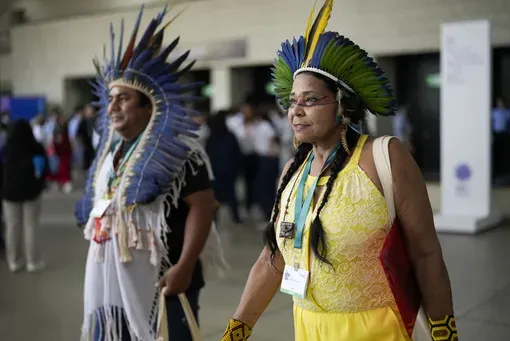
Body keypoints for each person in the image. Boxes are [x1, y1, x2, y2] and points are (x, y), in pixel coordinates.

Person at [221, 1, 458, 341]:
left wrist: (445, 333)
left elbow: (426, 253)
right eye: (292, 100)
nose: (296, 111)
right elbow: (272, 259)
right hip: (308, 327)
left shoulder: (385, 158)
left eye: (311, 100)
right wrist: (234, 333)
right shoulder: (292, 171)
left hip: (374, 330)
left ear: (343, 106)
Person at [75, 6, 225, 341]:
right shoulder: (109, 152)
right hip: (111, 276)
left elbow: (203, 206)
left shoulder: (182, 151)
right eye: (110, 99)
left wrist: (185, 266)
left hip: (166, 276)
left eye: (123, 99)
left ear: (149, 107)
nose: (111, 107)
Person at [2, 119, 47, 272]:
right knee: (31, 226)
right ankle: (32, 262)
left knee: (12, 227)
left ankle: (14, 261)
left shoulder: (5, 149)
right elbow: (43, 171)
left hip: (9, 194)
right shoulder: (36, 148)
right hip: (31, 193)